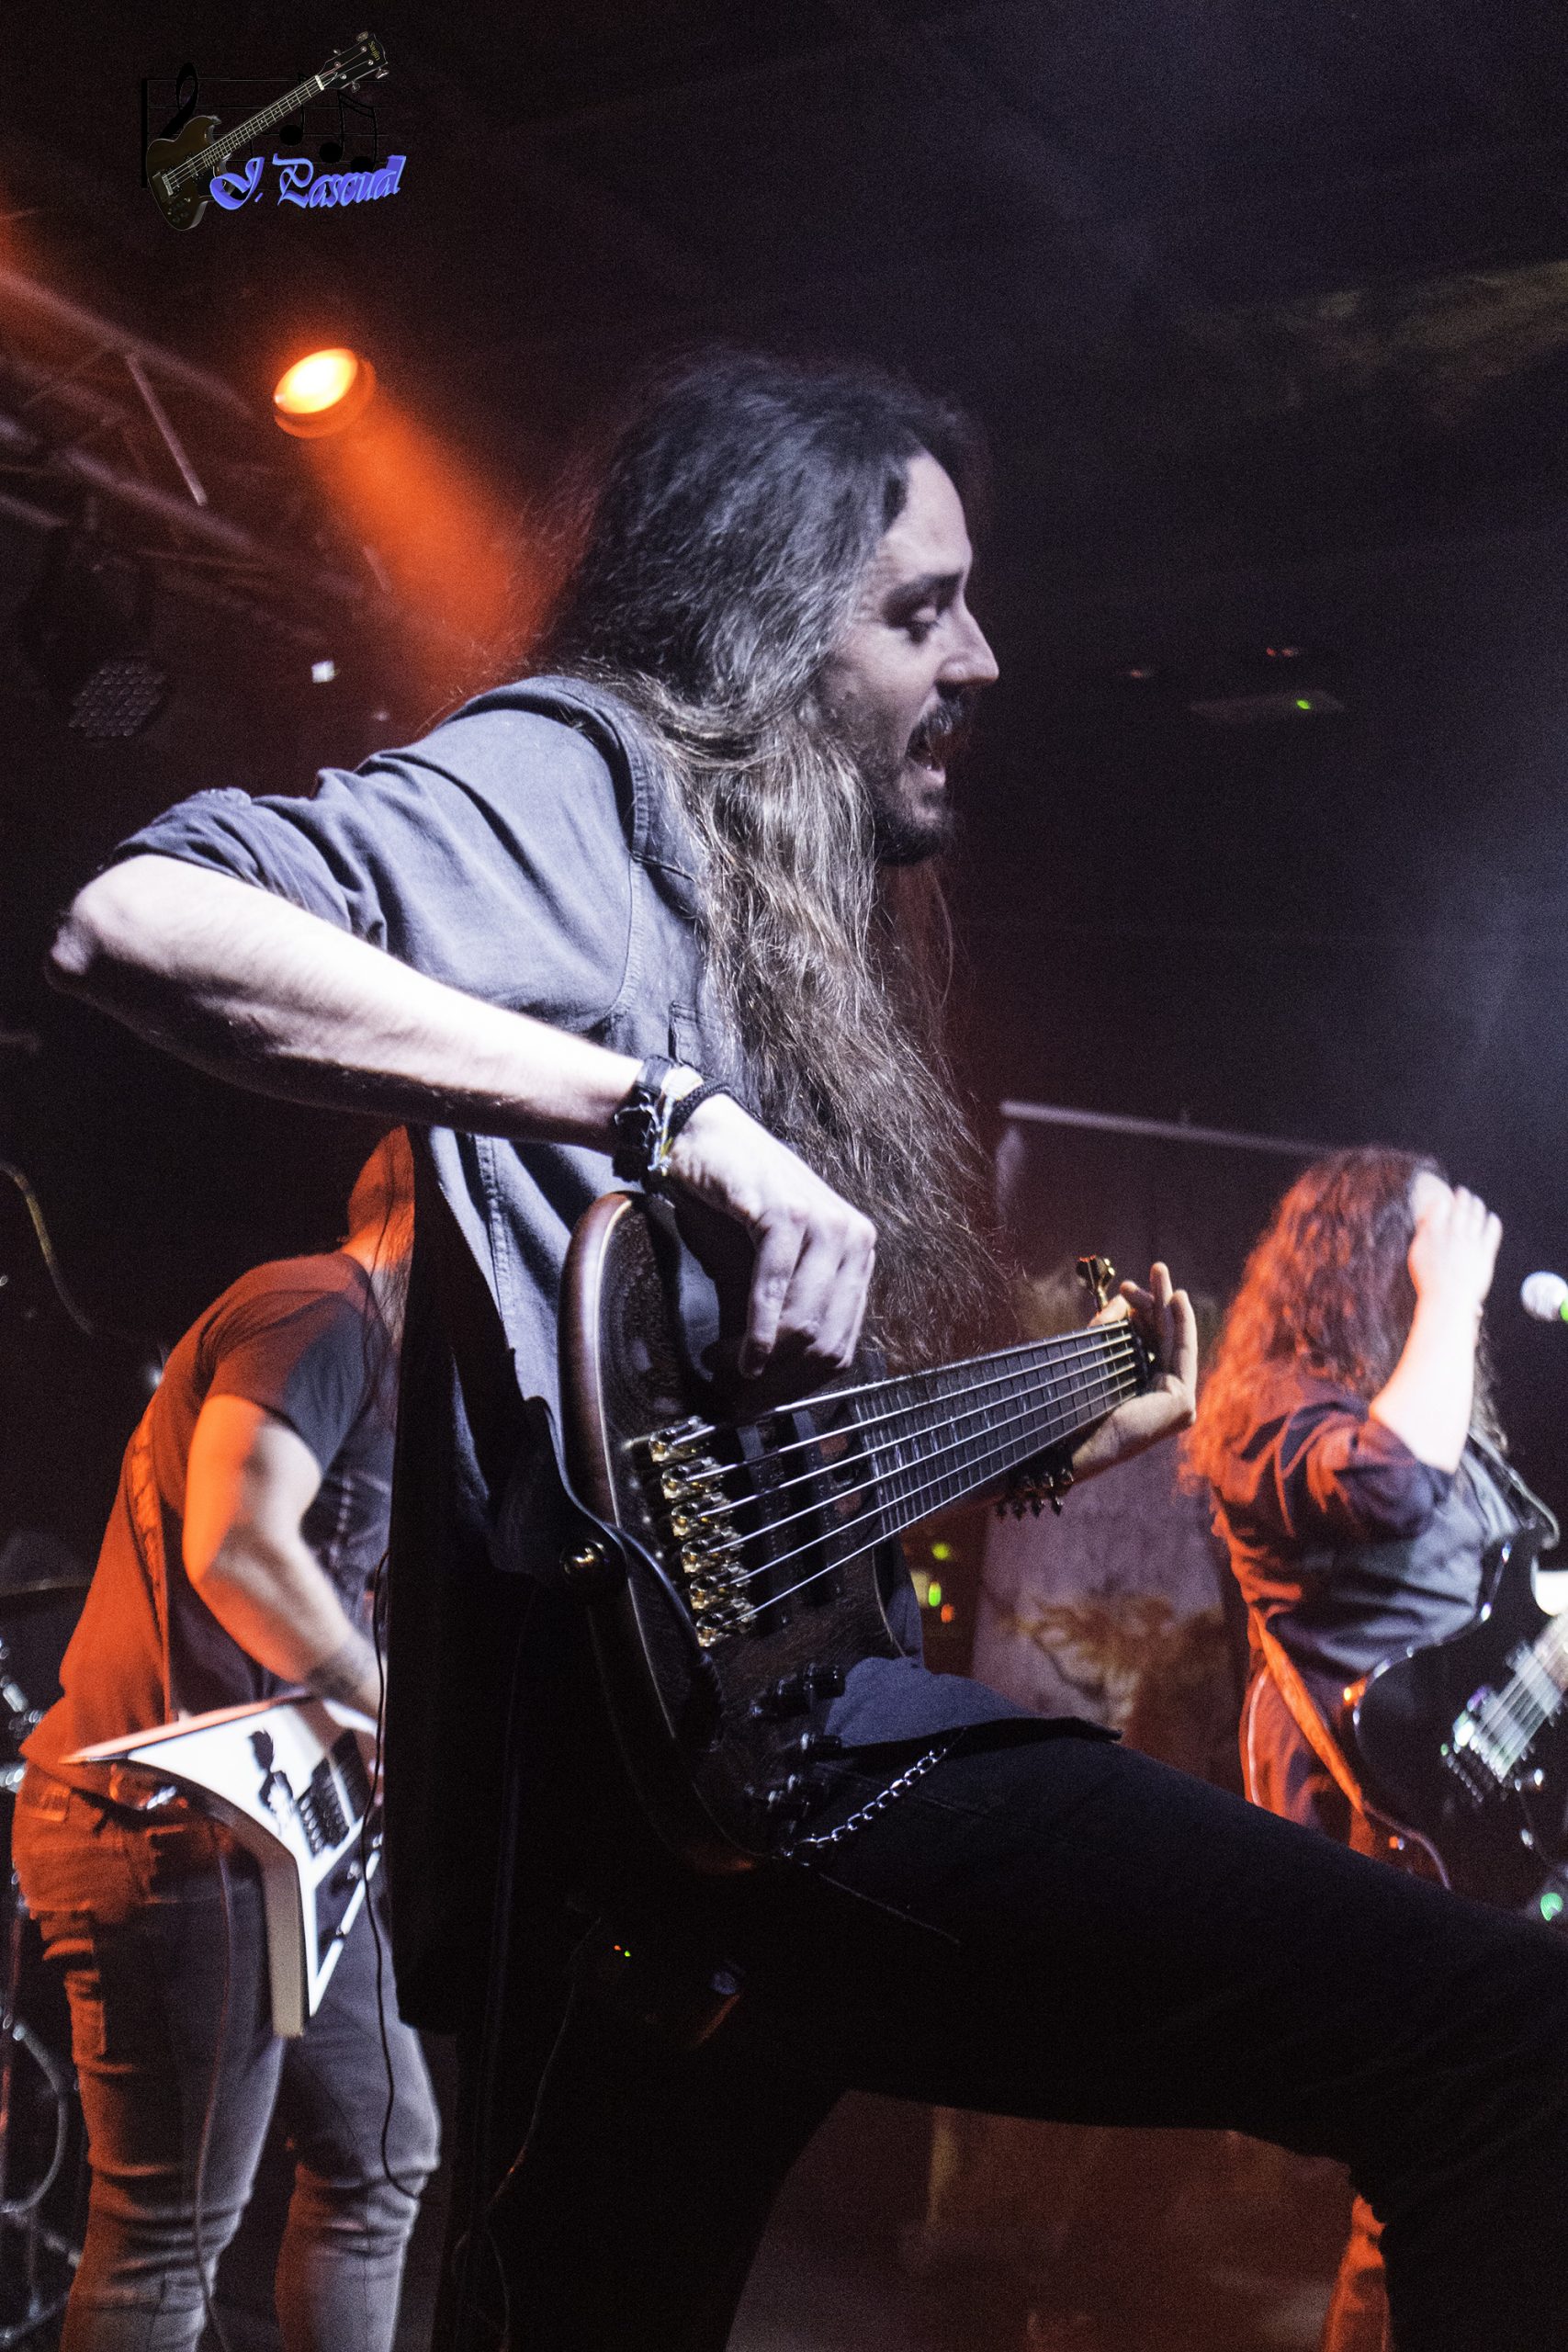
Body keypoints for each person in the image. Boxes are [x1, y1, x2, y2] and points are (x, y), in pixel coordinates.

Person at [43, 352, 1568, 2352]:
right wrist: (660, 1114)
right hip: (742, 1795)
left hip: (669, 1823)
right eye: (921, 609)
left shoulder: (761, 888)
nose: (984, 659)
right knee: (1503, 2043)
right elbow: (141, 917)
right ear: (759, 623)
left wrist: (1046, 1425)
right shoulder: (585, 777)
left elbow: (726, 1490)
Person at [11, 1132, 440, 2352]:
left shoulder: (382, 1355)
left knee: (380, 2159)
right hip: (167, 1829)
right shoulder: (319, 1306)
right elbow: (238, 1543)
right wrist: (389, 1703)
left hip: (276, 1834)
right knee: (164, 2239)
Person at [1185, 1148, 1559, 2352]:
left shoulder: (1435, 1416)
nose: (1464, 1257)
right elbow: (1389, 1487)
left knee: (1499, 2164)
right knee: (1433, 2176)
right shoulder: (1273, 1405)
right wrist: (1452, 1301)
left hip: (1497, 1815)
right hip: (1393, 1830)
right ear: (1366, 1256)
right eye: (1435, 1239)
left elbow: (1503, 1610)